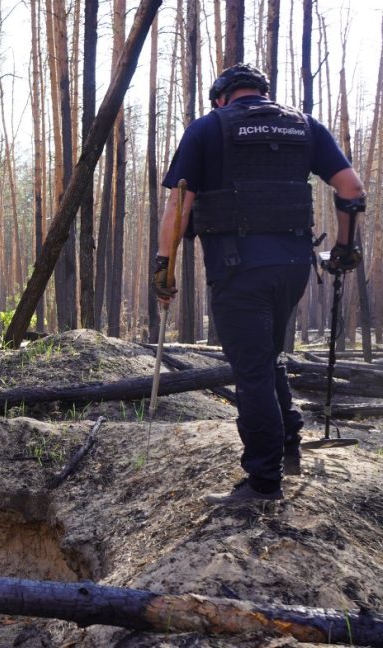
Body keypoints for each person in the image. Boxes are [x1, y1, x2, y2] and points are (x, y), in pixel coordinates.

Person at [154, 63, 365, 507]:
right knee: (266, 358)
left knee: (251, 373)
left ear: (221, 97)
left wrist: (164, 269)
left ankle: (263, 483)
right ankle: (288, 446)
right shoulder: (304, 126)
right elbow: (350, 187)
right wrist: (346, 249)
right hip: (293, 266)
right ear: (262, 93)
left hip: (238, 269)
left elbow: (179, 207)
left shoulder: (207, 128)